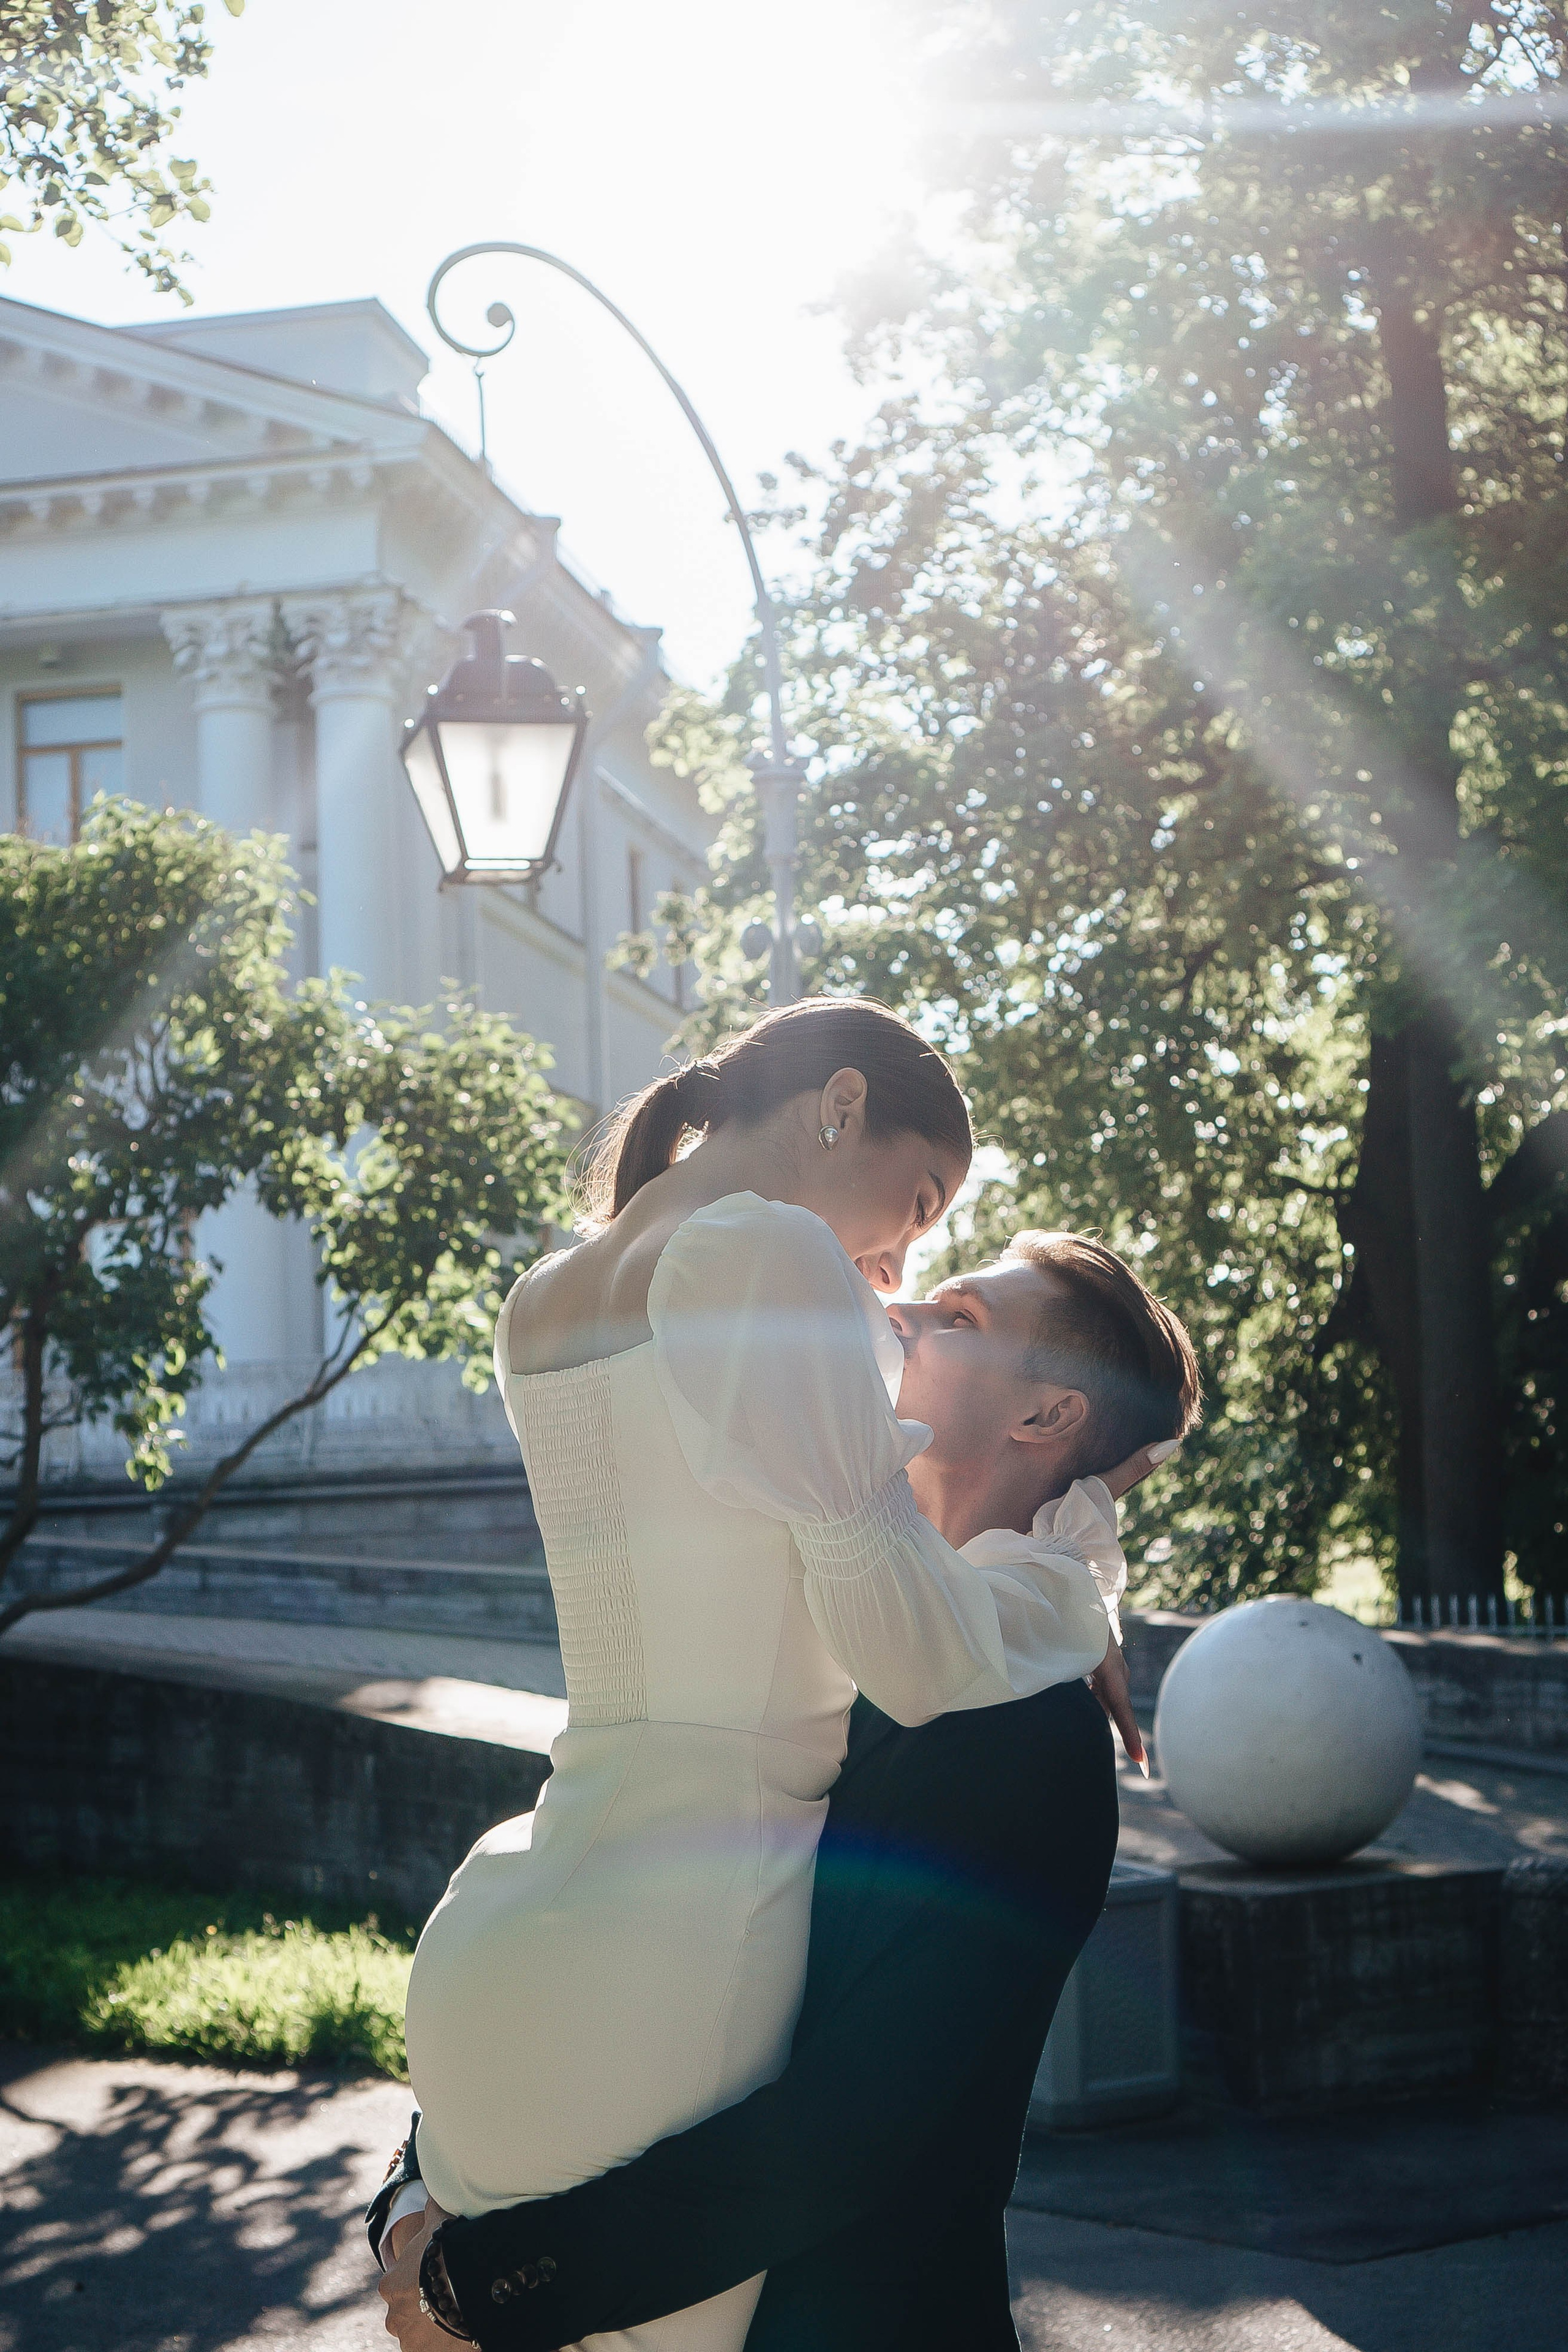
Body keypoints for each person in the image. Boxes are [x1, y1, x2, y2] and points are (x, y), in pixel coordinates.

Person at [382, 999, 1151, 2352]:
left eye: (947, 1287)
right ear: (837, 1105)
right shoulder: (867, 1581)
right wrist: (1074, 1589)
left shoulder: (1020, 1739)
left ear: (1047, 1417)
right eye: (912, 1212)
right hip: (630, 1985)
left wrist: (465, 2273)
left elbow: (846, 2131)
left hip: (522, 1940)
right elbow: (906, 1638)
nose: (895, 1279)